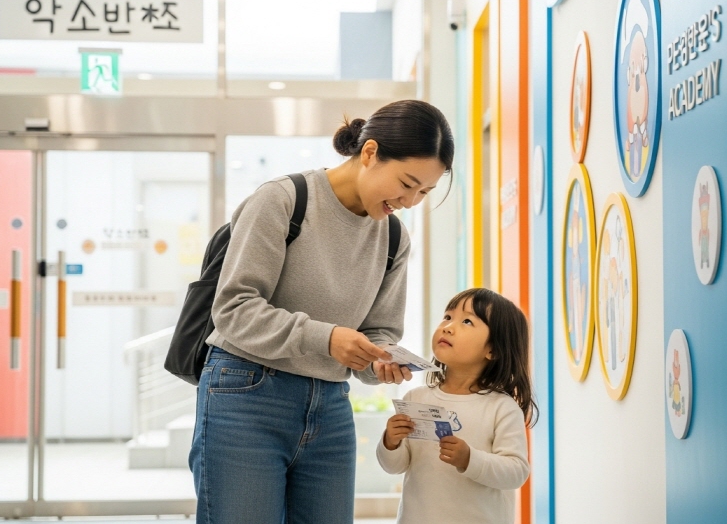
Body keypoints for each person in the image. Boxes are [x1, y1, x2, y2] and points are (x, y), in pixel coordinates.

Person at [188, 100, 454, 524]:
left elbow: (379, 329)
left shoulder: (393, 237)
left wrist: (379, 360)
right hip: (245, 394)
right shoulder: (282, 201)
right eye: (407, 183)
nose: (411, 201)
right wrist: (327, 338)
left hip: (329, 404)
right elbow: (233, 308)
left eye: (425, 192)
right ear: (369, 153)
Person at [377, 287, 538, 524]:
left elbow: (515, 472)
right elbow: (395, 467)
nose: (448, 326)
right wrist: (390, 443)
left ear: (492, 349)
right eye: (447, 317)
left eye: (467, 321)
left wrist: (469, 459)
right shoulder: (415, 398)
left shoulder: (501, 408)